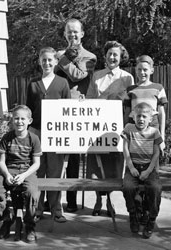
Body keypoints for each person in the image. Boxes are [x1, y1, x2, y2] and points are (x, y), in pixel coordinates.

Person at [86, 40, 134, 216]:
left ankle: (111, 200)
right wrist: (106, 98)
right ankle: (99, 199)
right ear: (105, 56)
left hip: (117, 127)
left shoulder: (127, 77)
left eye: (116, 54)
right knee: (97, 165)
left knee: (114, 164)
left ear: (121, 57)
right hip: (98, 127)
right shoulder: (97, 76)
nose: (112, 57)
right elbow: (90, 101)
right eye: (110, 54)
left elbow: (130, 105)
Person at [55, 18, 97, 213]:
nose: (72, 35)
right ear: (65, 34)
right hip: (57, 109)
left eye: (76, 32)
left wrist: (62, 59)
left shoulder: (90, 57)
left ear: (82, 34)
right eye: (69, 32)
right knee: (54, 157)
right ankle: (53, 199)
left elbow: (78, 76)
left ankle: (71, 200)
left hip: (76, 111)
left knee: (72, 159)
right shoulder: (57, 55)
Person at [26, 47, 71, 222]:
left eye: (50, 60)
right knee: (38, 170)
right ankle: (37, 209)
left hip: (56, 133)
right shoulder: (33, 83)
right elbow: (28, 110)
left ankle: (56, 209)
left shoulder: (62, 83)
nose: (47, 63)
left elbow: (68, 110)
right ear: (39, 61)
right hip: (36, 132)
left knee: (55, 172)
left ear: (55, 62)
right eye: (43, 60)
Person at [0, 105, 41, 243]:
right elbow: (1, 162)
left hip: (26, 171)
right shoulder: (7, 137)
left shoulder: (33, 138)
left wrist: (23, 176)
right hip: (9, 169)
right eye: (16, 118)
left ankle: (29, 225)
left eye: (23, 119)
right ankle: (7, 219)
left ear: (29, 121)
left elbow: (36, 163)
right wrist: (7, 175)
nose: (19, 121)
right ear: (12, 120)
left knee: (32, 193)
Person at [121, 102, 163, 239]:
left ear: (150, 119)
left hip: (148, 168)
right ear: (133, 117)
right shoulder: (128, 128)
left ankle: (151, 219)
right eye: (138, 116)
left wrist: (149, 170)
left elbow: (156, 153)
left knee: (155, 188)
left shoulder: (154, 132)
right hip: (133, 166)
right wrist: (131, 167)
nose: (141, 119)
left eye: (144, 116)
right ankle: (133, 214)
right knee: (128, 187)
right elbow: (125, 149)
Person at [124, 55, 168, 156]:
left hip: (152, 131)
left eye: (145, 70)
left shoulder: (158, 88)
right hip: (134, 132)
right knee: (134, 161)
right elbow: (127, 113)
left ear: (151, 70)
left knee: (152, 163)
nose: (142, 72)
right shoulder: (130, 90)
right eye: (139, 69)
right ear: (136, 70)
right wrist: (125, 132)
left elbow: (161, 113)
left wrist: (162, 137)